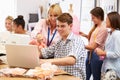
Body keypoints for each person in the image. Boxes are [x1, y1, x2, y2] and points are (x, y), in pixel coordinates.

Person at [39, 13, 86, 80]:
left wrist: (48, 61)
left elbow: (71, 60)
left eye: (62, 26)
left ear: (70, 26)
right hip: (60, 77)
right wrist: (34, 53)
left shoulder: (76, 41)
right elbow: (44, 52)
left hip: (74, 78)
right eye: (58, 26)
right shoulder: (59, 42)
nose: (59, 29)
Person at [79, 7, 108, 80]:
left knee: (96, 77)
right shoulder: (96, 26)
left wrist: (79, 45)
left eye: (93, 17)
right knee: (86, 76)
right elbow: (93, 39)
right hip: (90, 54)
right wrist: (85, 35)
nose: (92, 19)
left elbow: (93, 46)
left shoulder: (103, 29)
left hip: (97, 56)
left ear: (99, 17)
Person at [95, 12, 120, 80]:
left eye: (107, 19)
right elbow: (108, 50)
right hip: (106, 68)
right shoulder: (110, 33)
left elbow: (117, 54)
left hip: (113, 70)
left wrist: (103, 53)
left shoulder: (117, 34)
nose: (105, 21)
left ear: (112, 20)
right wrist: (101, 54)